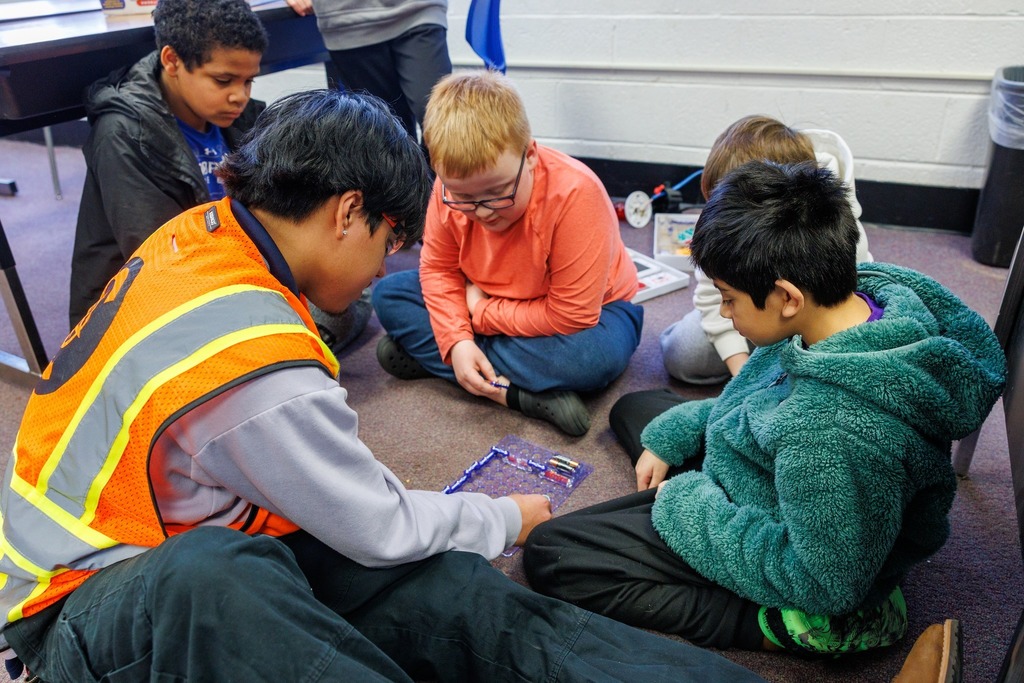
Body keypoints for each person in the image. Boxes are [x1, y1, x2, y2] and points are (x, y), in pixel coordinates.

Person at [0, 89, 767, 683]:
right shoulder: (256, 356)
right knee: (228, 581)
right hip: (71, 608)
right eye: (387, 242)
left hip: (218, 532)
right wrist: (500, 514)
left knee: (445, 588)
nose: (381, 267)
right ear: (347, 214)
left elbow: (371, 523)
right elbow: (375, 519)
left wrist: (463, 521)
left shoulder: (206, 233)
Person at [522, 160, 1006, 659]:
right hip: (785, 467)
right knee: (638, 411)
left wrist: (692, 506)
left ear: (786, 298)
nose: (725, 315)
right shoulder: (863, 296)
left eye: (729, 300)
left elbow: (825, 582)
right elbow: (764, 394)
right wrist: (690, 432)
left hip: (812, 573)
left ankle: (773, 624)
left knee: (554, 555)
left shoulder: (832, 431)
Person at [68, 0, 371, 351]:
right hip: (150, 308)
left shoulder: (239, 118)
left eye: (248, 81)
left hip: (225, 273)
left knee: (345, 289)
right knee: (326, 308)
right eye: (224, 80)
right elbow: (164, 266)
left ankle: (291, 344)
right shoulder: (124, 132)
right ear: (172, 61)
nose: (239, 96)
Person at [371, 70, 643, 437]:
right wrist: (458, 341)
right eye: (464, 198)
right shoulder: (445, 190)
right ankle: (516, 394)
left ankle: (449, 363)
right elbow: (437, 271)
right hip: (489, 299)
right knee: (388, 295)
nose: (482, 211)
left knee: (592, 360)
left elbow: (572, 314)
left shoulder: (577, 194)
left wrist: (479, 316)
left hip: (593, 315)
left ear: (529, 154)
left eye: (498, 192)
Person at [660, 115, 874, 384]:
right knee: (683, 353)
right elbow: (713, 295)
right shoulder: (728, 234)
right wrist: (744, 379)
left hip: (810, 317)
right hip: (759, 309)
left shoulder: (830, 217)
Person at [291, 0, 452, 152]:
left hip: (418, 11)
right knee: (384, 133)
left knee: (442, 120)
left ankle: (442, 180)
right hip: (348, 20)